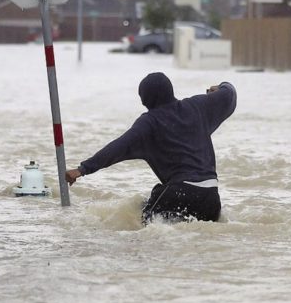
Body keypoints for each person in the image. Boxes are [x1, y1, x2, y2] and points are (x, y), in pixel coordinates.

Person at [65, 72, 236, 224]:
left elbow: (118, 147)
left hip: (179, 194)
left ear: (145, 100)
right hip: (212, 200)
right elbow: (230, 94)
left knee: (144, 228)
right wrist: (221, 86)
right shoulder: (198, 106)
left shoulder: (149, 123)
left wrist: (83, 169)